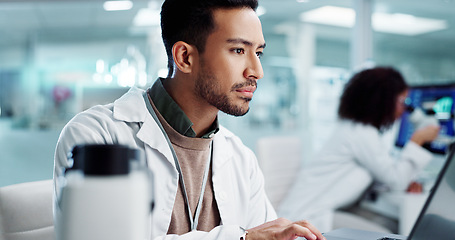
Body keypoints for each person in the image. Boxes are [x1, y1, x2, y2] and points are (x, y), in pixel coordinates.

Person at [53, 0, 325, 239]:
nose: (257, 71)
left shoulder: (241, 158)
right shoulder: (94, 136)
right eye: (239, 51)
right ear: (184, 57)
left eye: (259, 53)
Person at [278, 67, 440, 232]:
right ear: (383, 100)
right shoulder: (360, 134)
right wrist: (418, 140)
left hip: (320, 212)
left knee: (392, 225)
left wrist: (401, 181)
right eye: (401, 101)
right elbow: (395, 179)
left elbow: (383, 176)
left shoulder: (356, 130)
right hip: (310, 217)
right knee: (387, 235)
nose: (403, 109)